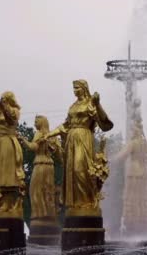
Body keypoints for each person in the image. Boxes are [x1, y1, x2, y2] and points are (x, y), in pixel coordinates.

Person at [45, 80, 113, 212]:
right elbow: (65, 125)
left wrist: (98, 105)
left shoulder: (91, 103)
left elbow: (104, 124)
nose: (75, 90)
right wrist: (49, 134)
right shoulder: (73, 106)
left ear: (84, 88)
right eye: (73, 88)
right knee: (71, 172)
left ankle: (87, 202)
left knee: (80, 169)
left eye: (77, 88)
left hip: (84, 137)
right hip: (71, 139)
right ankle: (77, 204)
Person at [19, 115, 62, 221]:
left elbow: (33, 147)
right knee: (48, 189)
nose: (34, 124)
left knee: (35, 190)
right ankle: (49, 213)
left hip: (40, 165)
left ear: (42, 122)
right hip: (49, 166)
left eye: (36, 121)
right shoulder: (52, 136)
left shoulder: (39, 134)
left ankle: (39, 214)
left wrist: (23, 140)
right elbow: (59, 155)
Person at [0, 91, 25, 216]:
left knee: (8, 175)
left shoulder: (15, 110)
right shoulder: (1, 113)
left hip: (8, 143)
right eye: (1, 99)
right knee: (0, 174)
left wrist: (5, 107)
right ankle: (3, 202)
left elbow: (11, 120)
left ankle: (9, 204)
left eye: (4, 99)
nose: (2, 101)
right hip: (0, 144)